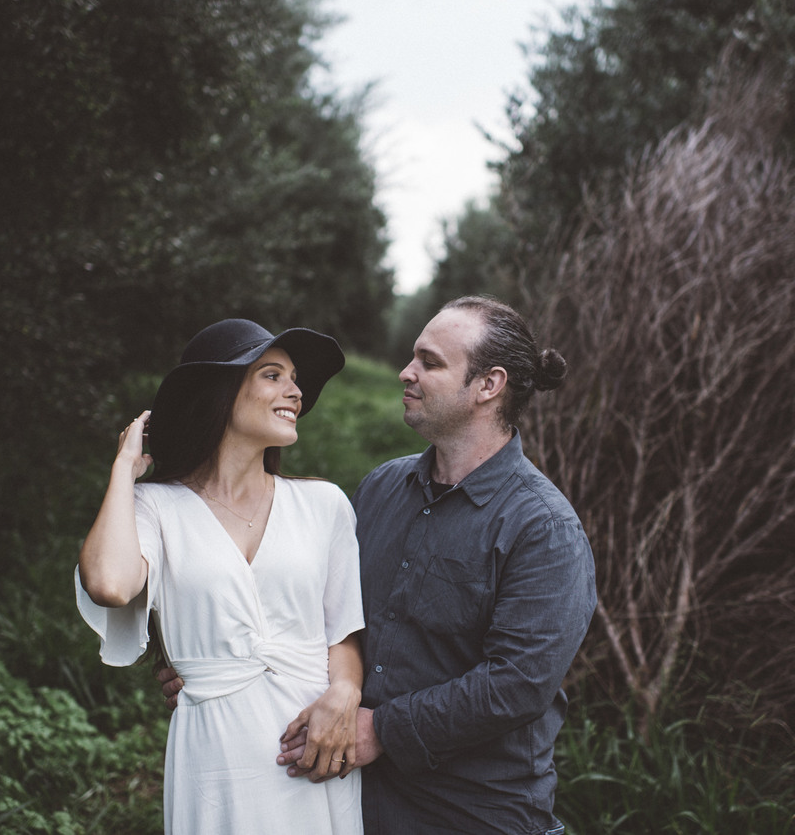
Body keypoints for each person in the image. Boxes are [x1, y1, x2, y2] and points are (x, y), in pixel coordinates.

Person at [160, 295, 597, 835]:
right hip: (353, 800)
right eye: (413, 357)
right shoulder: (381, 489)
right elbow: (324, 616)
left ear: (489, 385)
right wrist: (220, 668)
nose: (405, 372)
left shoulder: (543, 528)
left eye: (429, 363)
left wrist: (383, 730)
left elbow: (518, 683)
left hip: (475, 812)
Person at [77, 318, 365, 835]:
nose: (295, 392)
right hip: (215, 755)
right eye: (272, 375)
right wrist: (124, 468)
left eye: (295, 379)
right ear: (220, 392)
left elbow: (342, 631)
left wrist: (345, 695)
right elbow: (110, 585)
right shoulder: (155, 507)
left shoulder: (325, 505)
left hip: (313, 746)